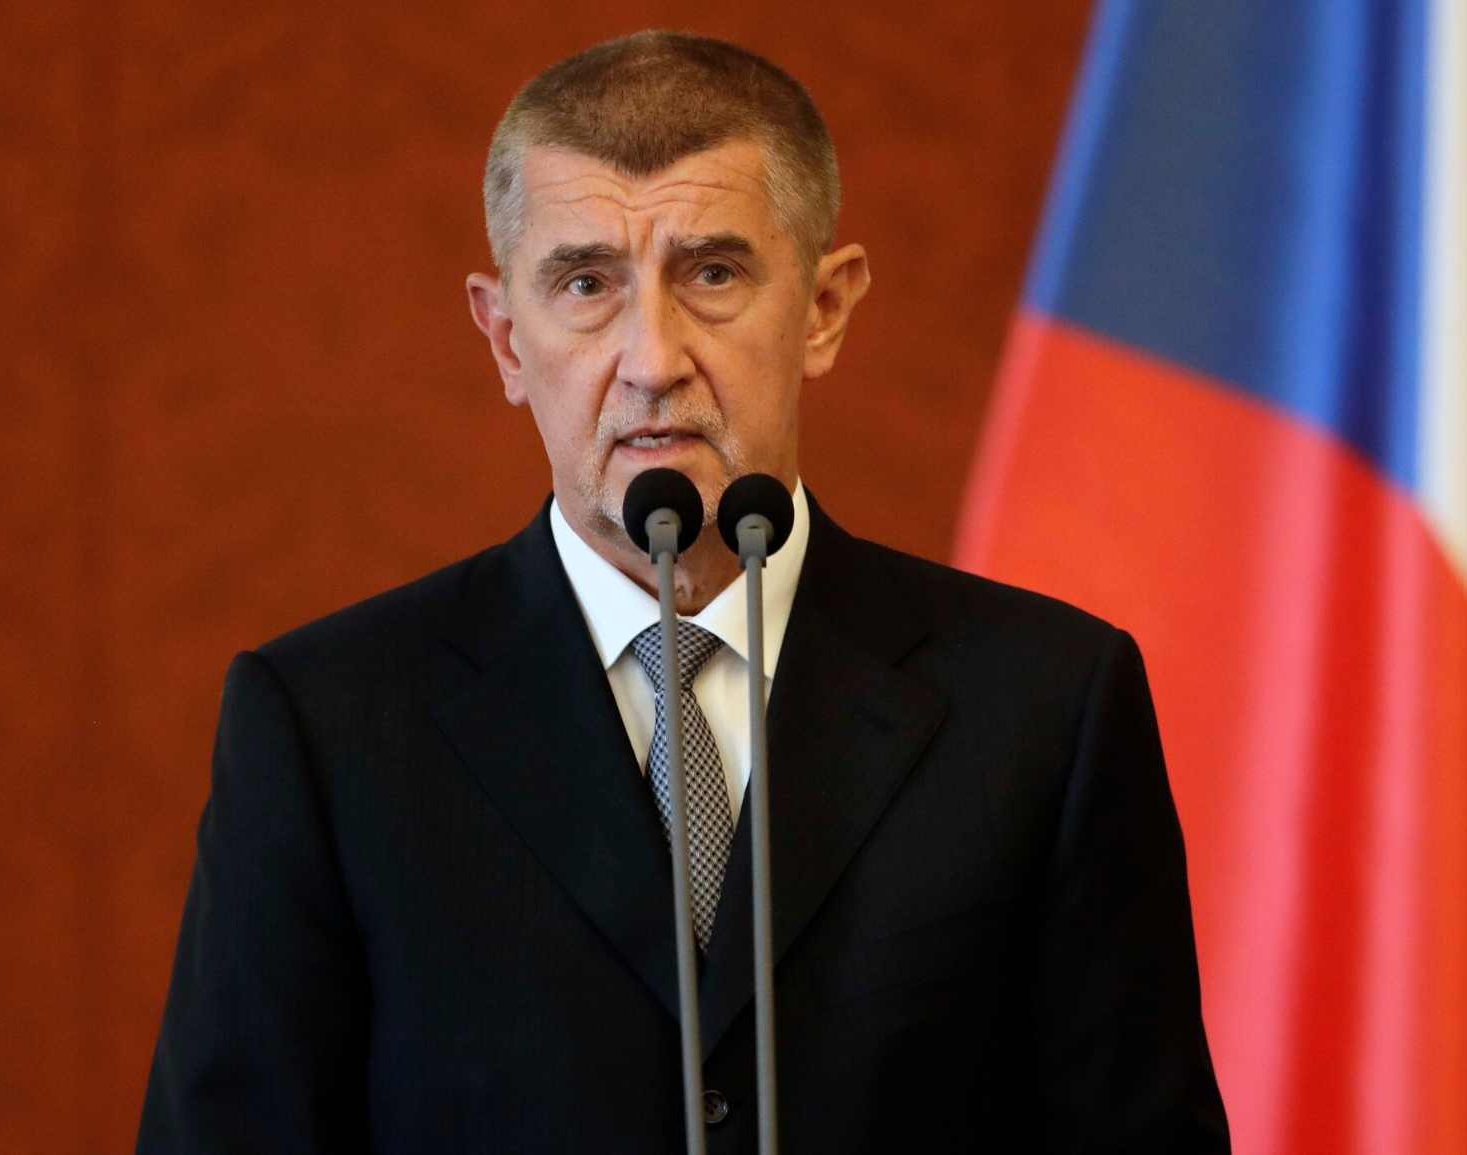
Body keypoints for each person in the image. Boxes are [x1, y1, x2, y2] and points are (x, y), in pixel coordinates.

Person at [136, 30, 1228, 1154]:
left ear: (824, 308)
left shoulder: (1044, 705)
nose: (653, 360)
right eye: (586, 285)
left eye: (712, 275)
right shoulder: (328, 727)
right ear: (505, 338)